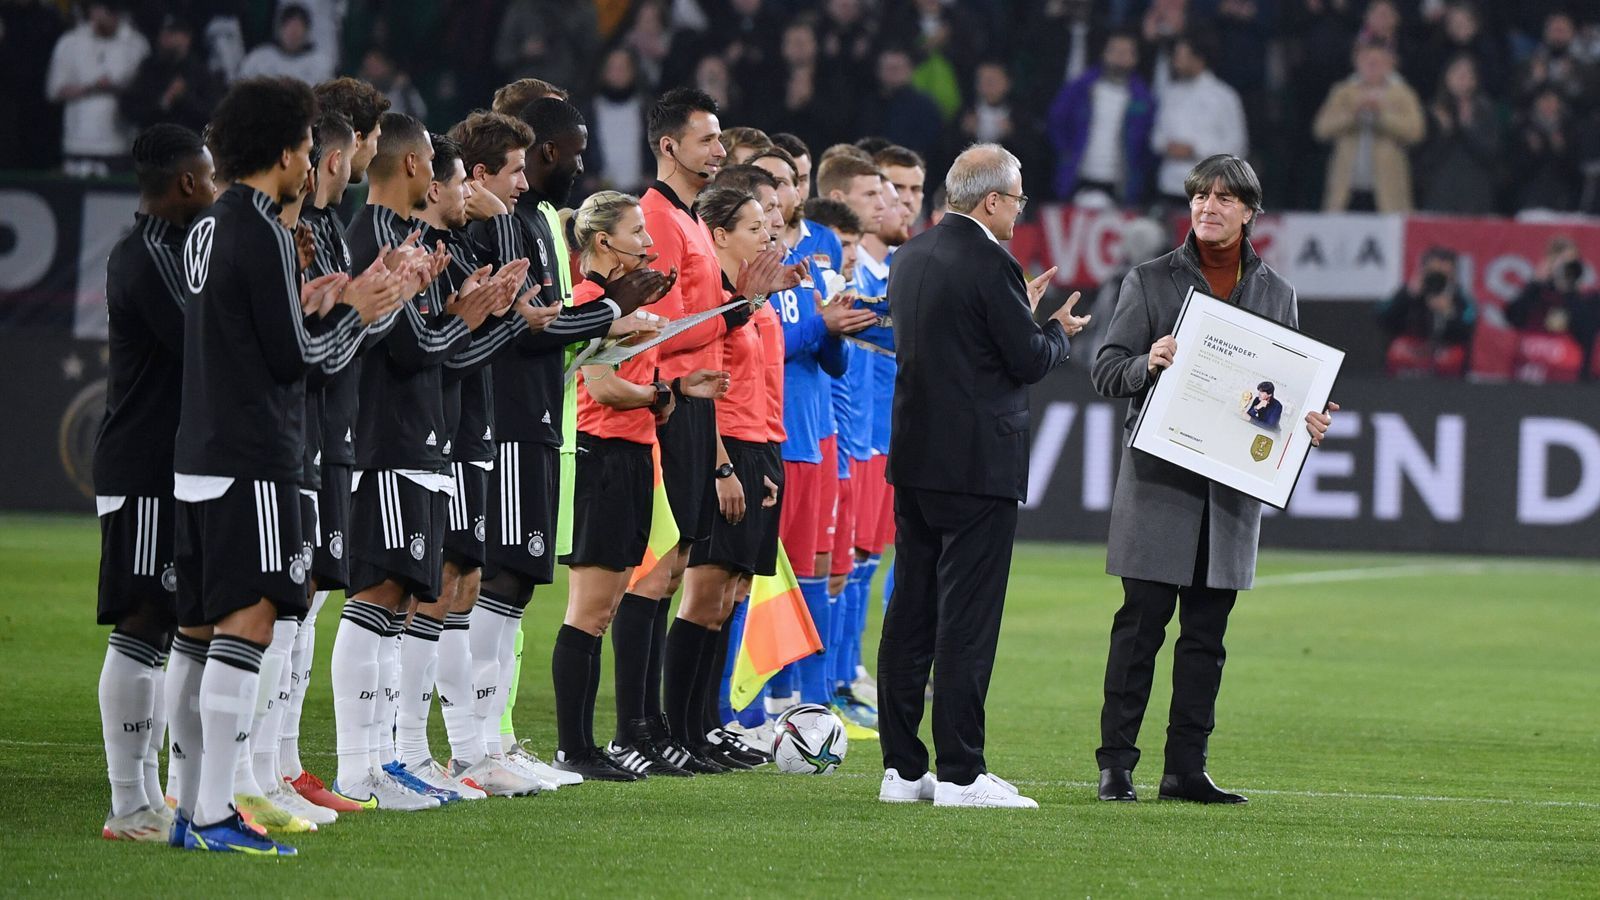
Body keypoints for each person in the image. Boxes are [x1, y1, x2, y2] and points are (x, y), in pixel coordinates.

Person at [169, 75, 398, 855]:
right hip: (257, 458)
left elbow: (250, 334)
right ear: (283, 150)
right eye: (305, 147)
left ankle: (188, 805)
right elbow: (295, 359)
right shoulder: (262, 228)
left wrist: (326, 303)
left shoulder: (207, 225)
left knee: (198, 632)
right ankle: (210, 811)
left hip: (198, 451)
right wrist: (359, 315)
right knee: (253, 622)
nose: (311, 163)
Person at [1091, 154, 1336, 806]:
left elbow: (1278, 396)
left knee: (1206, 639)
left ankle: (1184, 771)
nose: (1210, 207)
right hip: (1160, 482)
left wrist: (1302, 425)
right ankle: (1116, 767)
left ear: (1250, 211)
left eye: (1225, 198)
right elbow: (1107, 369)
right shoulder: (1149, 280)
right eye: (1201, 196)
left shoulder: (1276, 293)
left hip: (1227, 495)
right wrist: (1148, 362)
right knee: (1139, 629)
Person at [876, 144, 1086, 809]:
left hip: (915, 461)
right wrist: (1055, 330)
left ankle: (902, 771)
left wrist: (1013, 313)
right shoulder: (990, 260)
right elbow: (1024, 360)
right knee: (966, 621)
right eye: (1018, 199)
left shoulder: (909, 257)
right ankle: (962, 774)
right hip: (978, 470)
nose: (1020, 212)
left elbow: (951, 341)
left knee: (910, 613)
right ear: (991, 200)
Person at [328, 112, 507, 811]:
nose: (440, 174)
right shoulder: (373, 237)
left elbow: (434, 345)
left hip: (422, 440)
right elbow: (411, 349)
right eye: (434, 162)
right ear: (410, 166)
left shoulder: (409, 240)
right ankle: (358, 767)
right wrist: (466, 317)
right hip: (386, 443)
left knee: (401, 603)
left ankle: (386, 763)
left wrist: (469, 315)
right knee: (377, 600)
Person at [94, 123, 216, 843]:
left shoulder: (167, 251)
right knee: (141, 623)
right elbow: (201, 340)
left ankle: (144, 799)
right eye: (208, 174)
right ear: (186, 185)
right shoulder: (146, 257)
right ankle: (127, 803)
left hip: (161, 465)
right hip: (144, 467)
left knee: (160, 625)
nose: (216, 185)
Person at [1312, 39, 1425, 212]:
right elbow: (1321, 129)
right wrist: (1352, 115)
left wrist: (1382, 116)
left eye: (1377, 62)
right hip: (1347, 190)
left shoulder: (1402, 93)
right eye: (1367, 62)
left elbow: (1416, 131)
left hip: (1387, 191)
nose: (1372, 67)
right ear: (1357, 62)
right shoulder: (1343, 91)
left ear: (1389, 64)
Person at [1047, 30, 1155, 206]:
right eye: (1114, 50)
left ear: (1135, 58)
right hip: (1078, 176)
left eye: (1126, 52)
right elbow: (1056, 121)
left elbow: (1147, 143)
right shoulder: (1080, 88)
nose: (1119, 56)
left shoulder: (1144, 98)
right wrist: (1066, 153)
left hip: (1120, 184)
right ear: (1104, 53)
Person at [45, 0, 149, 177]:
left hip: (120, 143)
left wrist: (115, 87)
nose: (109, 16)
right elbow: (54, 90)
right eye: (103, 10)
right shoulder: (70, 42)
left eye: (113, 11)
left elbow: (146, 90)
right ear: (93, 11)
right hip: (78, 142)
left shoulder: (136, 43)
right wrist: (92, 88)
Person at [1149, 31, 1248, 208]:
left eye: (1181, 55)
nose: (1175, 61)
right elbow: (1156, 137)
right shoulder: (1170, 93)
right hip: (1169, 186)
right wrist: (1167, 146)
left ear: (1198, 58)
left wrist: (1194, 149)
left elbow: (1237, 146)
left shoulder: (1224, 96)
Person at [1415, 54, 1500, 215]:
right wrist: (1445, 132)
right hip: (1439, 196)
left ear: (1475, 80)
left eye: (1467, 73)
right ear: (1446, 77)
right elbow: (1423, 161)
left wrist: (1466, 127)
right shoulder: (1432, 111)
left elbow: (1491, 155)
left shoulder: (1485, 110)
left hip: (1476, 197)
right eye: (1457, 72)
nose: (1462, 78)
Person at [1377, 246, 1476, 377]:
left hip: (1445, 353)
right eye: (1433, 272)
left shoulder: (1460, 299)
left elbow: (1468, 327)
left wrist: (1449, 312)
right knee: (1397, 351)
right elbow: (1382, 316)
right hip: (1411, 350)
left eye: (1444, 273)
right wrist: (1407, 296)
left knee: (1451, 358)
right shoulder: (1408, 292)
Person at [120, 14, 221, 136]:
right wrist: (163, 102)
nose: (166, 37)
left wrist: (184, 98)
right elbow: (130, 108)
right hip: (154, 143)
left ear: (187, 37)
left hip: (189, 144)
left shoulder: (200, 72)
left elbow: (212, 113)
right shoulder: (149, 69)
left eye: (173, 33)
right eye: (164, 32)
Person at [238, 4, 334, 85]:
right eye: (290, 27)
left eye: (298, 28)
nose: (293, 32)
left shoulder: (319, 64)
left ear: (306, 32)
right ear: (280, 29)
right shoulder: (259, 59)